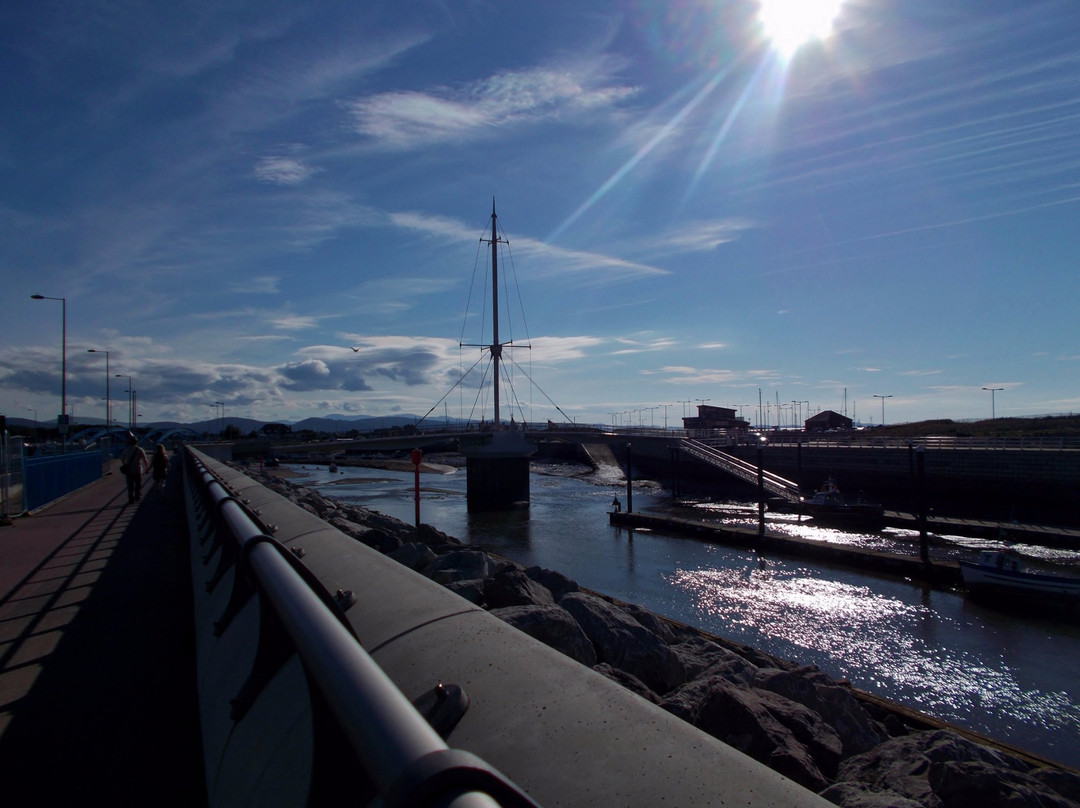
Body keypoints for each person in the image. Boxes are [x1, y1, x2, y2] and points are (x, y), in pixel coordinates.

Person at [119, 433, 149, 504]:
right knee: (138, 484)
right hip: (138, 469)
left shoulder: (127, 449)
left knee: (130, 485)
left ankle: (130, 498)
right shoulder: (140, 449)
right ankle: (137, 496)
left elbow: (122, 458)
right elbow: (145, 459)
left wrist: (125, 464)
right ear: (136, 442)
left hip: (129, 470)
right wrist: (147, 468)